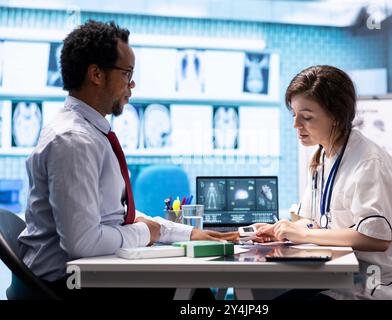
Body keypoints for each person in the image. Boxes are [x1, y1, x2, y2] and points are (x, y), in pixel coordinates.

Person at [18, 20, 237, 300]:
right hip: (65, 286)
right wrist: (148, 233)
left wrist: (184, 233)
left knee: (196, 290)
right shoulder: (73, 140)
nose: (131, 84)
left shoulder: (92, 133)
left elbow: (115, 217)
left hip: (87, 274)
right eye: (127, 73)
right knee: (196, 295)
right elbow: (83, 243)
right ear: (96, 74)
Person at [255, 65, 392, 300]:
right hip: (345, 279)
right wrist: (285, 231)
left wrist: (303, 235)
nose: (296, 125)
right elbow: (314, 222)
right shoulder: (322, 157)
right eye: (294, 115)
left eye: (306, 117)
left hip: (384, 286)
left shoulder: (369, 162)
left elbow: (375, 238)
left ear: (336, 117)